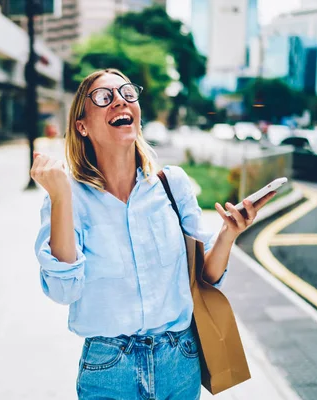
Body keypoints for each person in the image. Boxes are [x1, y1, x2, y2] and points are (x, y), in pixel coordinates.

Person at [32, 69, 275, 400]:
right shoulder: (67, 198)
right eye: (104, 97)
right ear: (82, 125)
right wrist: (61, 197)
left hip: (179, 360)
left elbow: (203, 277)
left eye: (127, 93)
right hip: (108, 368)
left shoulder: (172, 185)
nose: (120, 100)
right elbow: (63, 290)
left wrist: (228, 235)